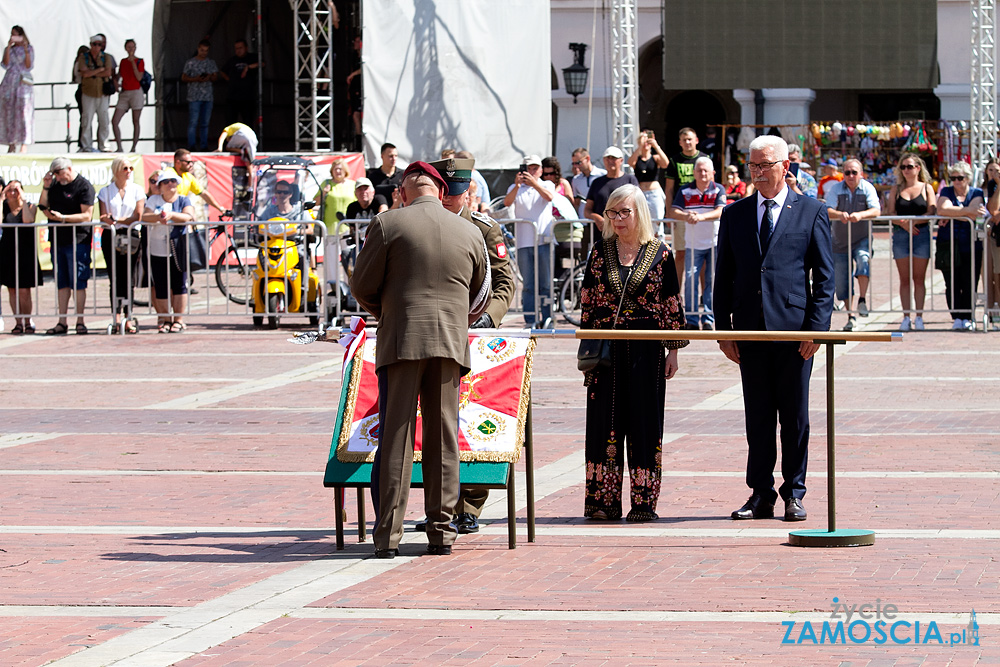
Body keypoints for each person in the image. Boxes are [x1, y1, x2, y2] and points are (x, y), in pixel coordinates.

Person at [350, 161, 490, 559]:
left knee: (397, 435)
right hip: (450, 341)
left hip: (402, 340)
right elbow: (480, 293)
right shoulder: (468, 229)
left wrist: (390, 311)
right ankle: (442, 533)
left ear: (404, 192)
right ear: (441, 191)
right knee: (443, 437)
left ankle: (388, 536)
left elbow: (362, 286)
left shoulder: (387, 224)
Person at [713, 135, 835, 523]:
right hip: (750, 330)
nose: (759, 173)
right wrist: (724, 330)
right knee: (759, 416)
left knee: (795, 417)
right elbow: (723, 276)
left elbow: (825, 277)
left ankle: (794, 493)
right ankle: (760, 493)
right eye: (753, 166)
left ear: (786, 167)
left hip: (794, 333)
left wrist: (815, 330)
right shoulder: (735, 214)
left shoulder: (811, 211)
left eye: (766, 165)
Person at [410, 155, 517, 535]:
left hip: (474, 336)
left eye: (458, 193)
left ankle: (470, 504)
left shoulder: (486, 230)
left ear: (468, 190)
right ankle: (440, 503)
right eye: (446, 192)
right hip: (436, 333)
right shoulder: (422, 222)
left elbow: (506, 284)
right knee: (436, 424)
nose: (451, 199)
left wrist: (490, 318)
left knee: (472, 422)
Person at [581, 184, 687, 522]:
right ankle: (603, 501)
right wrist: (587, 349)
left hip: (647, 350)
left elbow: (671, 301)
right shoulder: (600, 251)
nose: (618, 218)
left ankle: (644, 503)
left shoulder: (660, 252)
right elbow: (588, 299)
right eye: (613, 212)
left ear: (639, 212)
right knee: (604, 422)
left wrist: (673, 350)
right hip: (607, 350)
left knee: (644, 422)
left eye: (625, 212)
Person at [38, 157, 95, 335]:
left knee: (78, 281)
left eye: (59, 173)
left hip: (78, 240)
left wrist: (63, 218)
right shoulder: (55, 185)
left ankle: (80, 320)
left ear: (69, 169)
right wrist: (46, 186)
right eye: (54, 174)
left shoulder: (84, 186)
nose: (58, 177)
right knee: (62, 282)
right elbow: (42, 205)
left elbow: (87, 215)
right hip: (57, 239)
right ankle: (62, 321)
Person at [670, 156, 726, 330]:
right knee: (690, 280)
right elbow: (673, 210)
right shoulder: (685, 190)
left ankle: (708, 318)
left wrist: (700, 217)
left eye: (706, 170)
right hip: (692, 244)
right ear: (693, 173)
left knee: (712, 281)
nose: (702, 173)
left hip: (714, 242)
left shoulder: (719, 189)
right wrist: (686, 216)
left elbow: (720, 210)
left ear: (712, 173)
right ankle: (692, 319)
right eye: (699, 170)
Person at [824, 158, 880, 331]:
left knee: (864, 260)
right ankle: (850, 315)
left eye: (854, 172)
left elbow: (876, 210)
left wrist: (860, 215)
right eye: (847, 172)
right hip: (839, 241)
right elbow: (827, 209)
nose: (850, 176)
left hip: (861, 237)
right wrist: (839, 214)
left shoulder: (867, 187)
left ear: (861, 174)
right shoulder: (836, 188)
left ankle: (862, 299)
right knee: (841, 281)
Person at [503, 154, 555, 327]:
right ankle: (531, 319)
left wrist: (534, 184)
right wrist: (518, 186)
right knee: (528, 284)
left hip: (543, 240)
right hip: (524, 242)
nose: (531, 172)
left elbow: (549, 197)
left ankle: (547, 318)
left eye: (534, 168)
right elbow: (507, 202)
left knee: (545, 283)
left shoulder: (547, 184)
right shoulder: (515, 187)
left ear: (540, 170)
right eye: (528, 168)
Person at [885, 154, 936, 331]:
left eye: (910, 166)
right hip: (900, 235)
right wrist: (905, 224)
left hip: (921, 234)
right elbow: (890, 212)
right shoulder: (896, 189)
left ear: (918, 168)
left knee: (919, 278)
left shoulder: (927, 187)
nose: (907, 170)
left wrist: (914, 222)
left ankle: (919, 316)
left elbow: (932, 210)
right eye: (903, 167)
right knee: (904, 279)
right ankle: (906, 316)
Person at [142, 169, 195, 333]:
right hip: (157, 247)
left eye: (173, 181)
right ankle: (165, 318)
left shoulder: (183, 200)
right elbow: (144, 216)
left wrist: (171, 215)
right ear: (160, 186)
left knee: (180, 284)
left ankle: (178, 319)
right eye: (166, 182)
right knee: (160, 285)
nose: (170, 184)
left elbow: (189, 216)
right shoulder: (153, 199)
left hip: (178, 248)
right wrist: (159, 217)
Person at [936, 161, 986, 331]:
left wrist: (954, 212)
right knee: (952, 282)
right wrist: (967, 213)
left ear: (968, 178)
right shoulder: (946, 191)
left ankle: (969, 316)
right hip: (949, 243)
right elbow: (942, 209)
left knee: (970, 281)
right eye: (953, 178)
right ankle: (956, 316)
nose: (956, 181)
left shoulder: (977, 192)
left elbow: (976, 211)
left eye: (960, 178)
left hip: (972, 244)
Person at [97, 157, 145, 334]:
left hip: (130, 234)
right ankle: (116, 315)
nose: (129, 171)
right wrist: (111, 220)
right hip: (111, 235)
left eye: (131, 168)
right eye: (125, 168)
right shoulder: (106, 191)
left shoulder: (137, 190)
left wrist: (117, 220)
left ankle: (129, 315)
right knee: (114, 276)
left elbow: (137, 216)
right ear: (117, 170)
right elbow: (103, 216)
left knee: (129, 276)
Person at [664, 129, 710, 285]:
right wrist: (668, 212)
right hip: (681, 212)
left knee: (704, 255)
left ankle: (706, 295)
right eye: (684, 140)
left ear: (696, 140)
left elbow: (712, 185)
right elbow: (669, 189)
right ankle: (676, 293)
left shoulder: (705, 158)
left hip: (703, 211)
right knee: (681, 253)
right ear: (680, 142)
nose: (688, 142)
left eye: (690, 139)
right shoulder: (675, 161)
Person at [0, 180, 40, 333]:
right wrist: (1, 200)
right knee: (12, 289)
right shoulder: (3, 208)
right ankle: (18, 322)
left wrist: (22, 200)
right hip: (7, 251)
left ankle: (28, 321)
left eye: (16, 189)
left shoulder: (30, 206)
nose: (13, 193)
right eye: (10, 190)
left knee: (24, 290)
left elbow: (28, 220)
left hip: (25, 251)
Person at [584, 146, 640, 230]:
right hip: (601, 232)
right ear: (603, 160)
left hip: (624, 230)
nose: (610, 161)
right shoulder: (597, 182)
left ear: (621, 160)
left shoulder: (630, 180)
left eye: (614, 158)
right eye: (607, 158)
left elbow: (638, 205)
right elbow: (587, 210)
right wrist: (596, 217)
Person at [77, 34, 115, 152]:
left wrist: (92, 72)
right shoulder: (84, 57)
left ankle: (103, 144)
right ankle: (86, 145)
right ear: (91, 45)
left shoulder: (106, 57)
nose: (97, 47)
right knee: (87, 119)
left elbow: (108, 72)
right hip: (88, 92)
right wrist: (99, 70)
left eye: (99, 44)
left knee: (104, 119)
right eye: (95, 44)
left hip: (102, 93)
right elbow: (84, 73)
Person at [0, 26, 34, 153]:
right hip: (9, 83)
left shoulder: (29, 49)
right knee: (9, 113)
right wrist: (8, 47)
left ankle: (24, 142)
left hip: (23, 83)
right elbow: (5, 64)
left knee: (24, 113)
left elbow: (29, 65)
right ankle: (11, 142)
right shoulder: (9, 49)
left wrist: (25, 49)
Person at [181, 40, 218, 151]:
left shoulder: (211, 63)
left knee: (205, 123)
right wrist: (195, 79)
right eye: (202, 50)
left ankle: (203, 146)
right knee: (193, 122)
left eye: (206, 51)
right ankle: (191, 145)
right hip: (194, 97)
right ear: (198, 49)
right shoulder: (190, 62)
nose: (204, 53)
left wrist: (209, 77)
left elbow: (215, 77)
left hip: (207, 97)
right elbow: (183, 77)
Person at [627, 129, 670, 225]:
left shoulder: (655, 158)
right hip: (641, 192)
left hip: (654, 192)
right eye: (643, 140)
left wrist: (656, 145)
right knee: (640, 220)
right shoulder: (637, 159)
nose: (646, 143)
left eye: (647, 140)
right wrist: (640, 146)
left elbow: (666, 163)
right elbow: (630, 163)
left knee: (657, 220)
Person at [111, 39, 145, 153]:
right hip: (125, 92)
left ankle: (134, 147)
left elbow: (139, 77)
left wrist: (133, 63)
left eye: (132, 47)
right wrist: (115, 83)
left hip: (136, 92)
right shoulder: (123, 62)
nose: (131, 49)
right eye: (129, 47)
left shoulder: (140, 61)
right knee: (115, 120)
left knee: (135, 120)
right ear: (126, 48)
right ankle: (119, 146)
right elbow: (119, 75)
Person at [219, 39, 259, 130]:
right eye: (236, 48)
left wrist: (248, 67)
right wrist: (229, 80)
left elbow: (262, 63)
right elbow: (222, 71)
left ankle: (248, 143)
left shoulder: (252, 57)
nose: (238, 50)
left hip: (247, 97)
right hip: (233, 96)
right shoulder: (232, 60)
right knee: (230, 122)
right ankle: (230, 143)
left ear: (246, 48)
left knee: (248, 122)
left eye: (240, 48)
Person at [172, 149, 226, 216]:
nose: (191, 164)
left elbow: (204, 194)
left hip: (179, 214)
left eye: (192, 162)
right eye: (188, 162)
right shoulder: (168, 174)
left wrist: (220, 209)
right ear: (178, 162)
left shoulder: (187, 176)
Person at [316, 157, 356, 234]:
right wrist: (324, 192)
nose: (337, 171)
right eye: (335, 169)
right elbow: (316, 202)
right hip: (330, 228)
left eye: (340, 169)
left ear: (345, 170)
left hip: (348, 228)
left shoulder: (353, 184)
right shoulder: (326, 183)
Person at [984, 159, 1000, 324]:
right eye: (991, 170)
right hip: (996, 236)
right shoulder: (992, 186)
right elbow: (993, 210)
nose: (994, 174)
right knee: (996, 275)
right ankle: (995, 312)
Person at [570, 147, 606, 219]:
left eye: (578, 163)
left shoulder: (603, 174)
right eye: (574, 164)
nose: (576, 166)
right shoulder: (576, 179)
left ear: (587, 159)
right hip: (584, 220)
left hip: (602, 217)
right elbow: (577, 202)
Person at [366, 143, 404, 207]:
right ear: (382, 156)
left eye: (396, 156)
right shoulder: (373, 176)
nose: (394, 159)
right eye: (390, 156)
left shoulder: (402, 175)